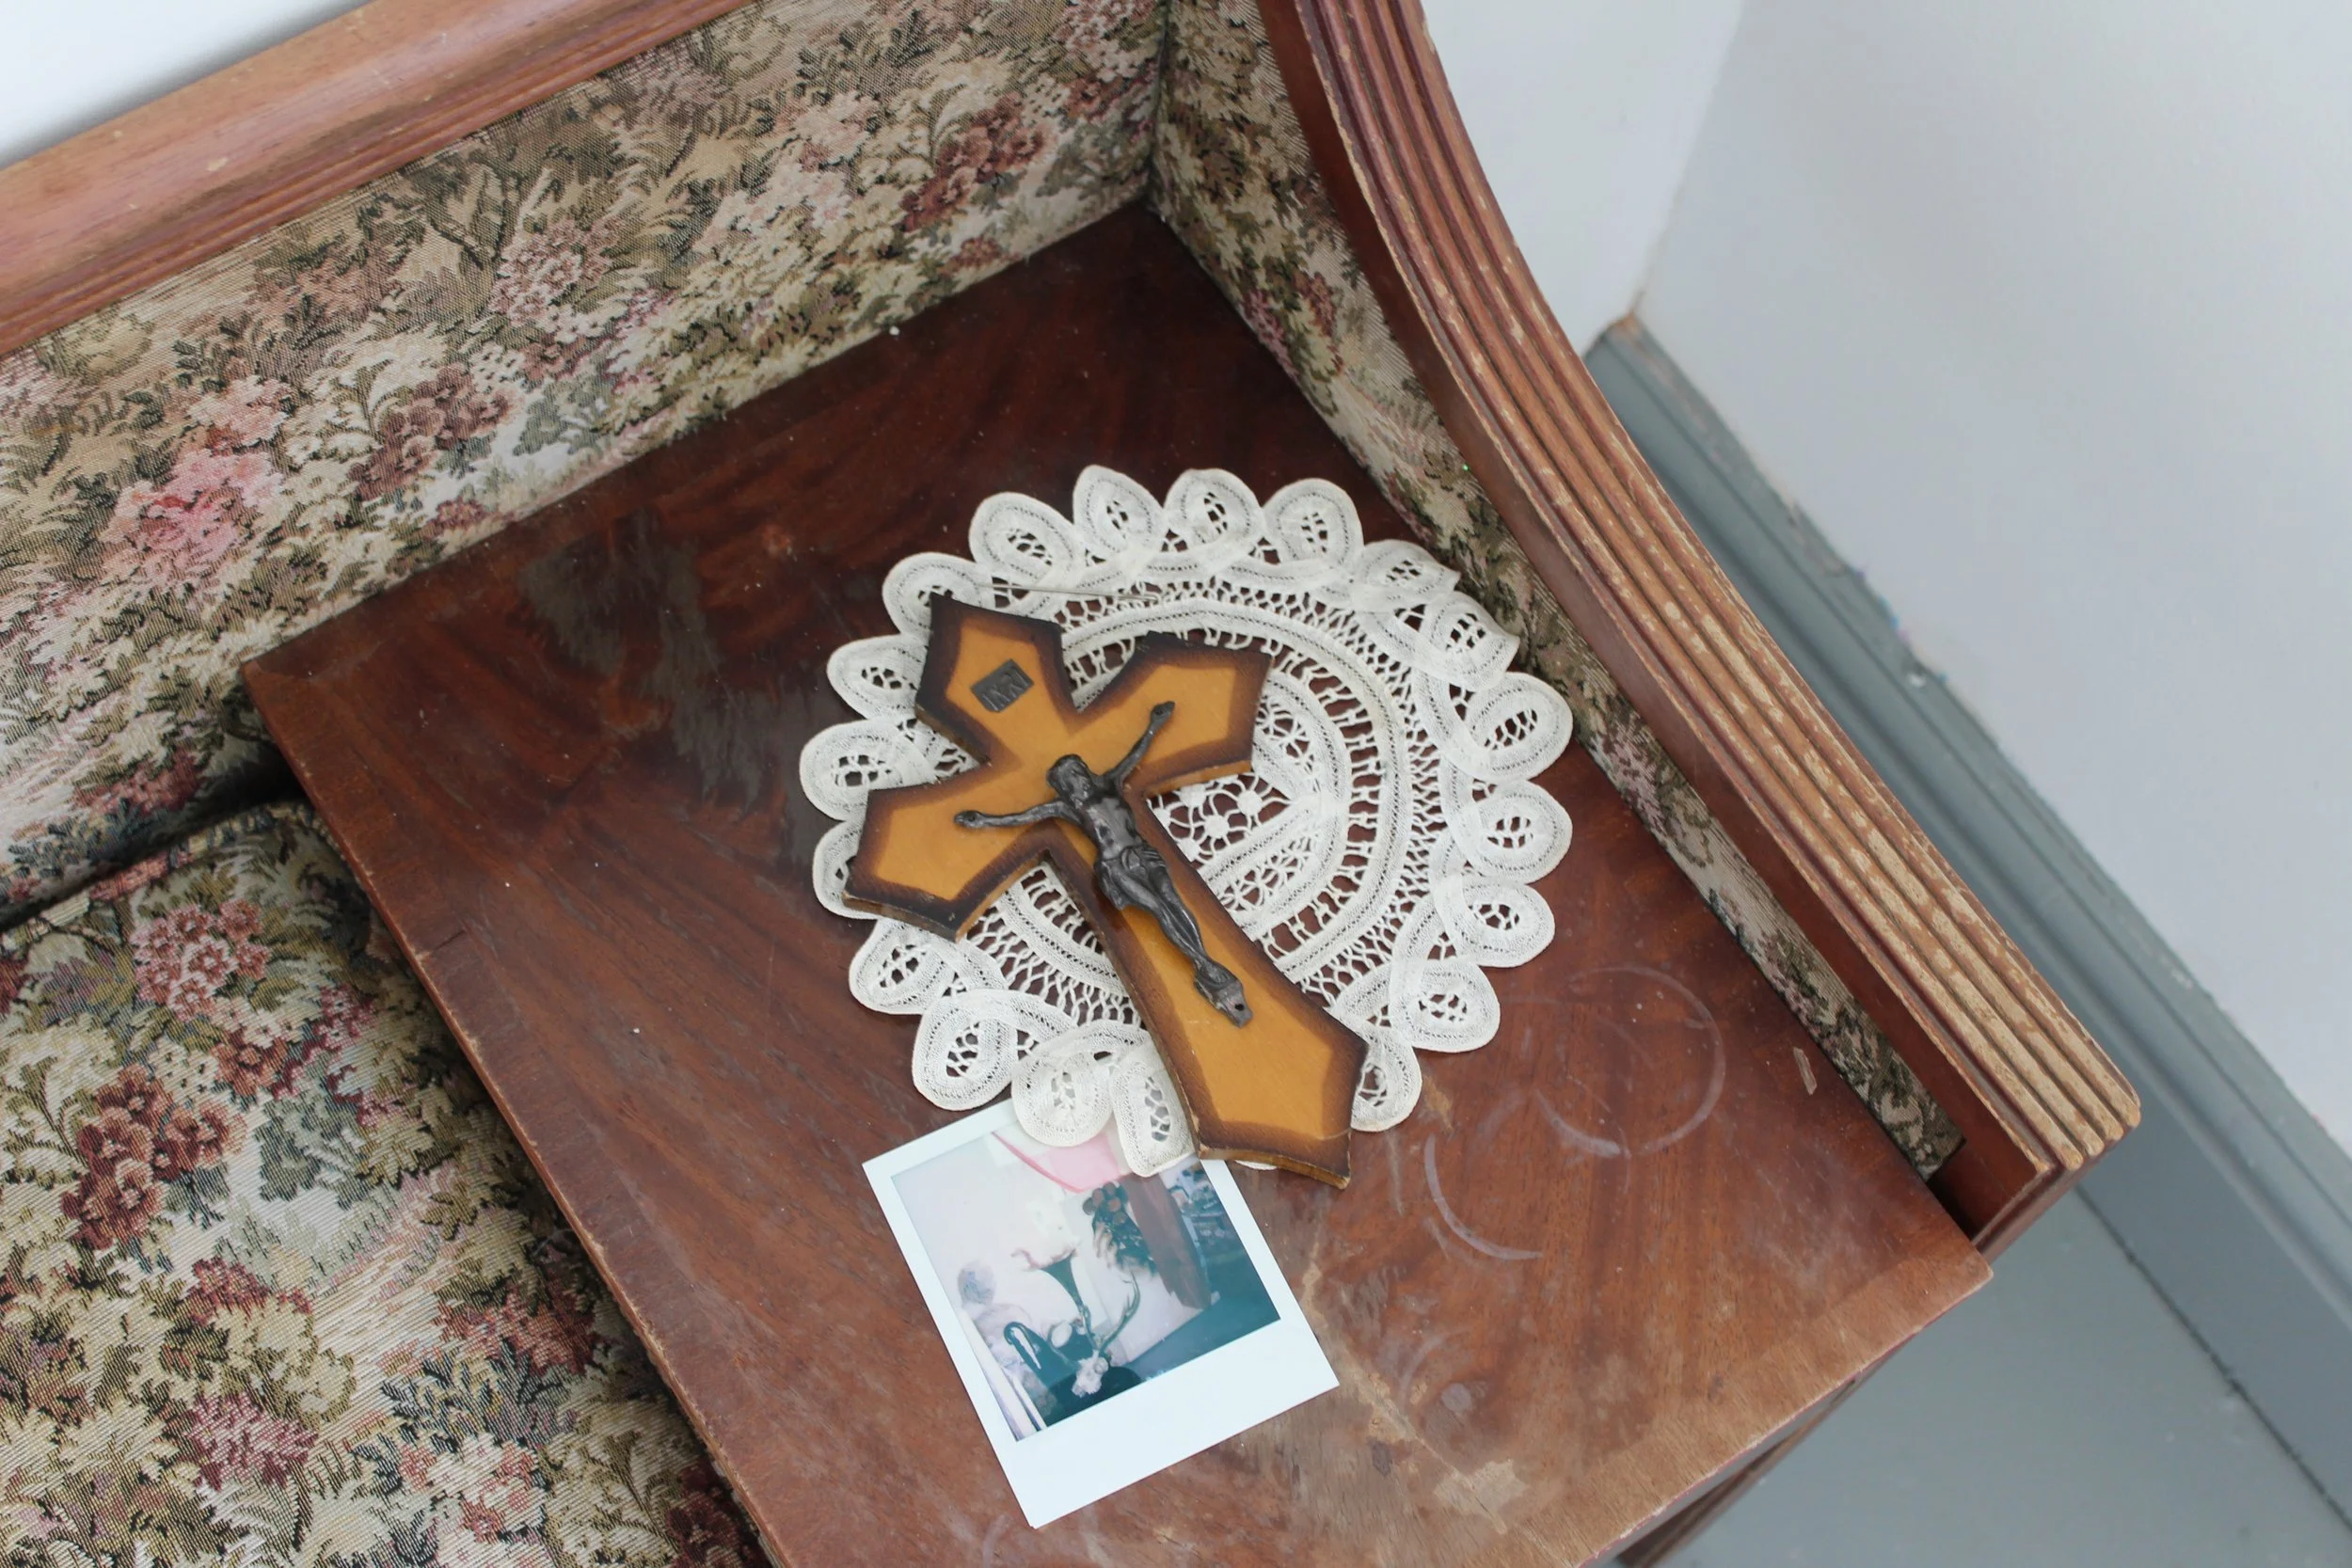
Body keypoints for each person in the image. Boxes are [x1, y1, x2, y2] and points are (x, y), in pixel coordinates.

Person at [954, 702, 1249, 1023]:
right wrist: (983, 820)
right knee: (1158, 909)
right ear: (1063, 786)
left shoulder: (1110, 783)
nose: (1077, 778)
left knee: (1173, 900)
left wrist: (1154, 724)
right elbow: (1023, 816)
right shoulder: (1066, 807)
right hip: (1115, 867)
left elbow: (1135, 754)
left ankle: (1206, 964)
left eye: (1078, 771)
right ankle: (1204, 966)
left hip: (1143, 852)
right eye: (1069, 777)